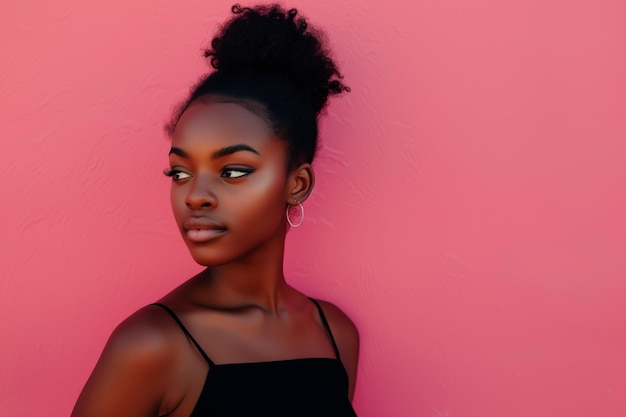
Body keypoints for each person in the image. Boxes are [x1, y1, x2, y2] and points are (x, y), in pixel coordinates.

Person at [71, 4, 359, 417]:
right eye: (180, 172)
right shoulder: (151, 345)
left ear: (297, 185)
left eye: (233, 171)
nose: (195, 196)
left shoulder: (335, 334)